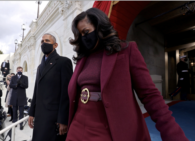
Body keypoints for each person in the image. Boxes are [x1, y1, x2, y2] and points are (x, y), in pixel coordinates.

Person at [65, 8, 188, 141]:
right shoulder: (82, 59)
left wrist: (173, 135)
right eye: (80, 35)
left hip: (110, 129)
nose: (84, 38)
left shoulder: (126, 51)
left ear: (100, 26)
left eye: (86, 32)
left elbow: (150, 95)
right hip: (77, 127)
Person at [28, 33, 73, 141]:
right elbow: (36, 91)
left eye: (47, 41)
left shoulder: (63, 62)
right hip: (40, 116)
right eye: (42, 41)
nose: (44, 43)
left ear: (55, 45)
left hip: (54, 119)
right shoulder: (39, 67)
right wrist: (31, 112)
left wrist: (63, 119)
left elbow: (66, 93)